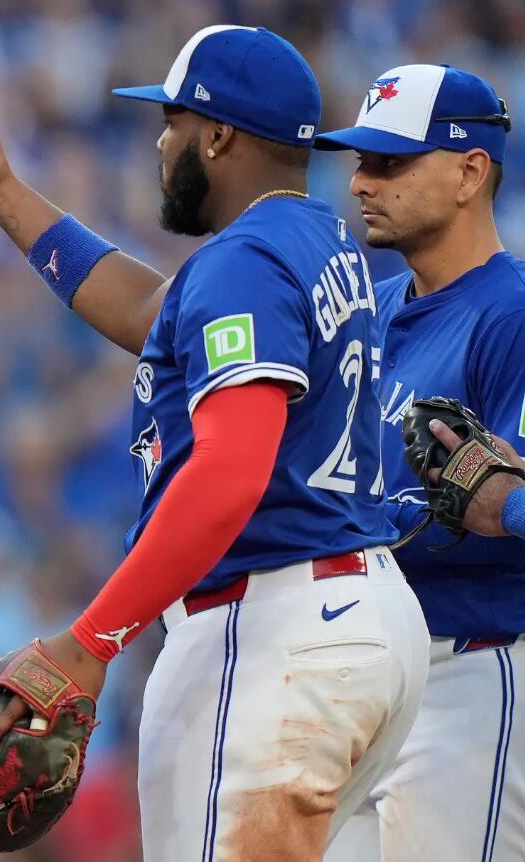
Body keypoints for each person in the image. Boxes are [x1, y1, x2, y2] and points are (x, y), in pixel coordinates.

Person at [0, 25, 429, 859]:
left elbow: (229, 472)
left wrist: (89, 641)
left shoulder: (245, 260)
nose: (159, 141)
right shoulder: (310, 237)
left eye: (172, 121)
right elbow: (153, 315)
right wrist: (8, 199)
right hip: (355, 621)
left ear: (216, 136)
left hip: (273, 629)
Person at [310, 64, 525, 862]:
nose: (361, 181)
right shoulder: (370, 309)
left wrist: (504, 505)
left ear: (470, 172)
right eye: (361, 159)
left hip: (474, 667)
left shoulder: (512, 313)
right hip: (368, 679)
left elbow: (507, 499)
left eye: (391, 162)